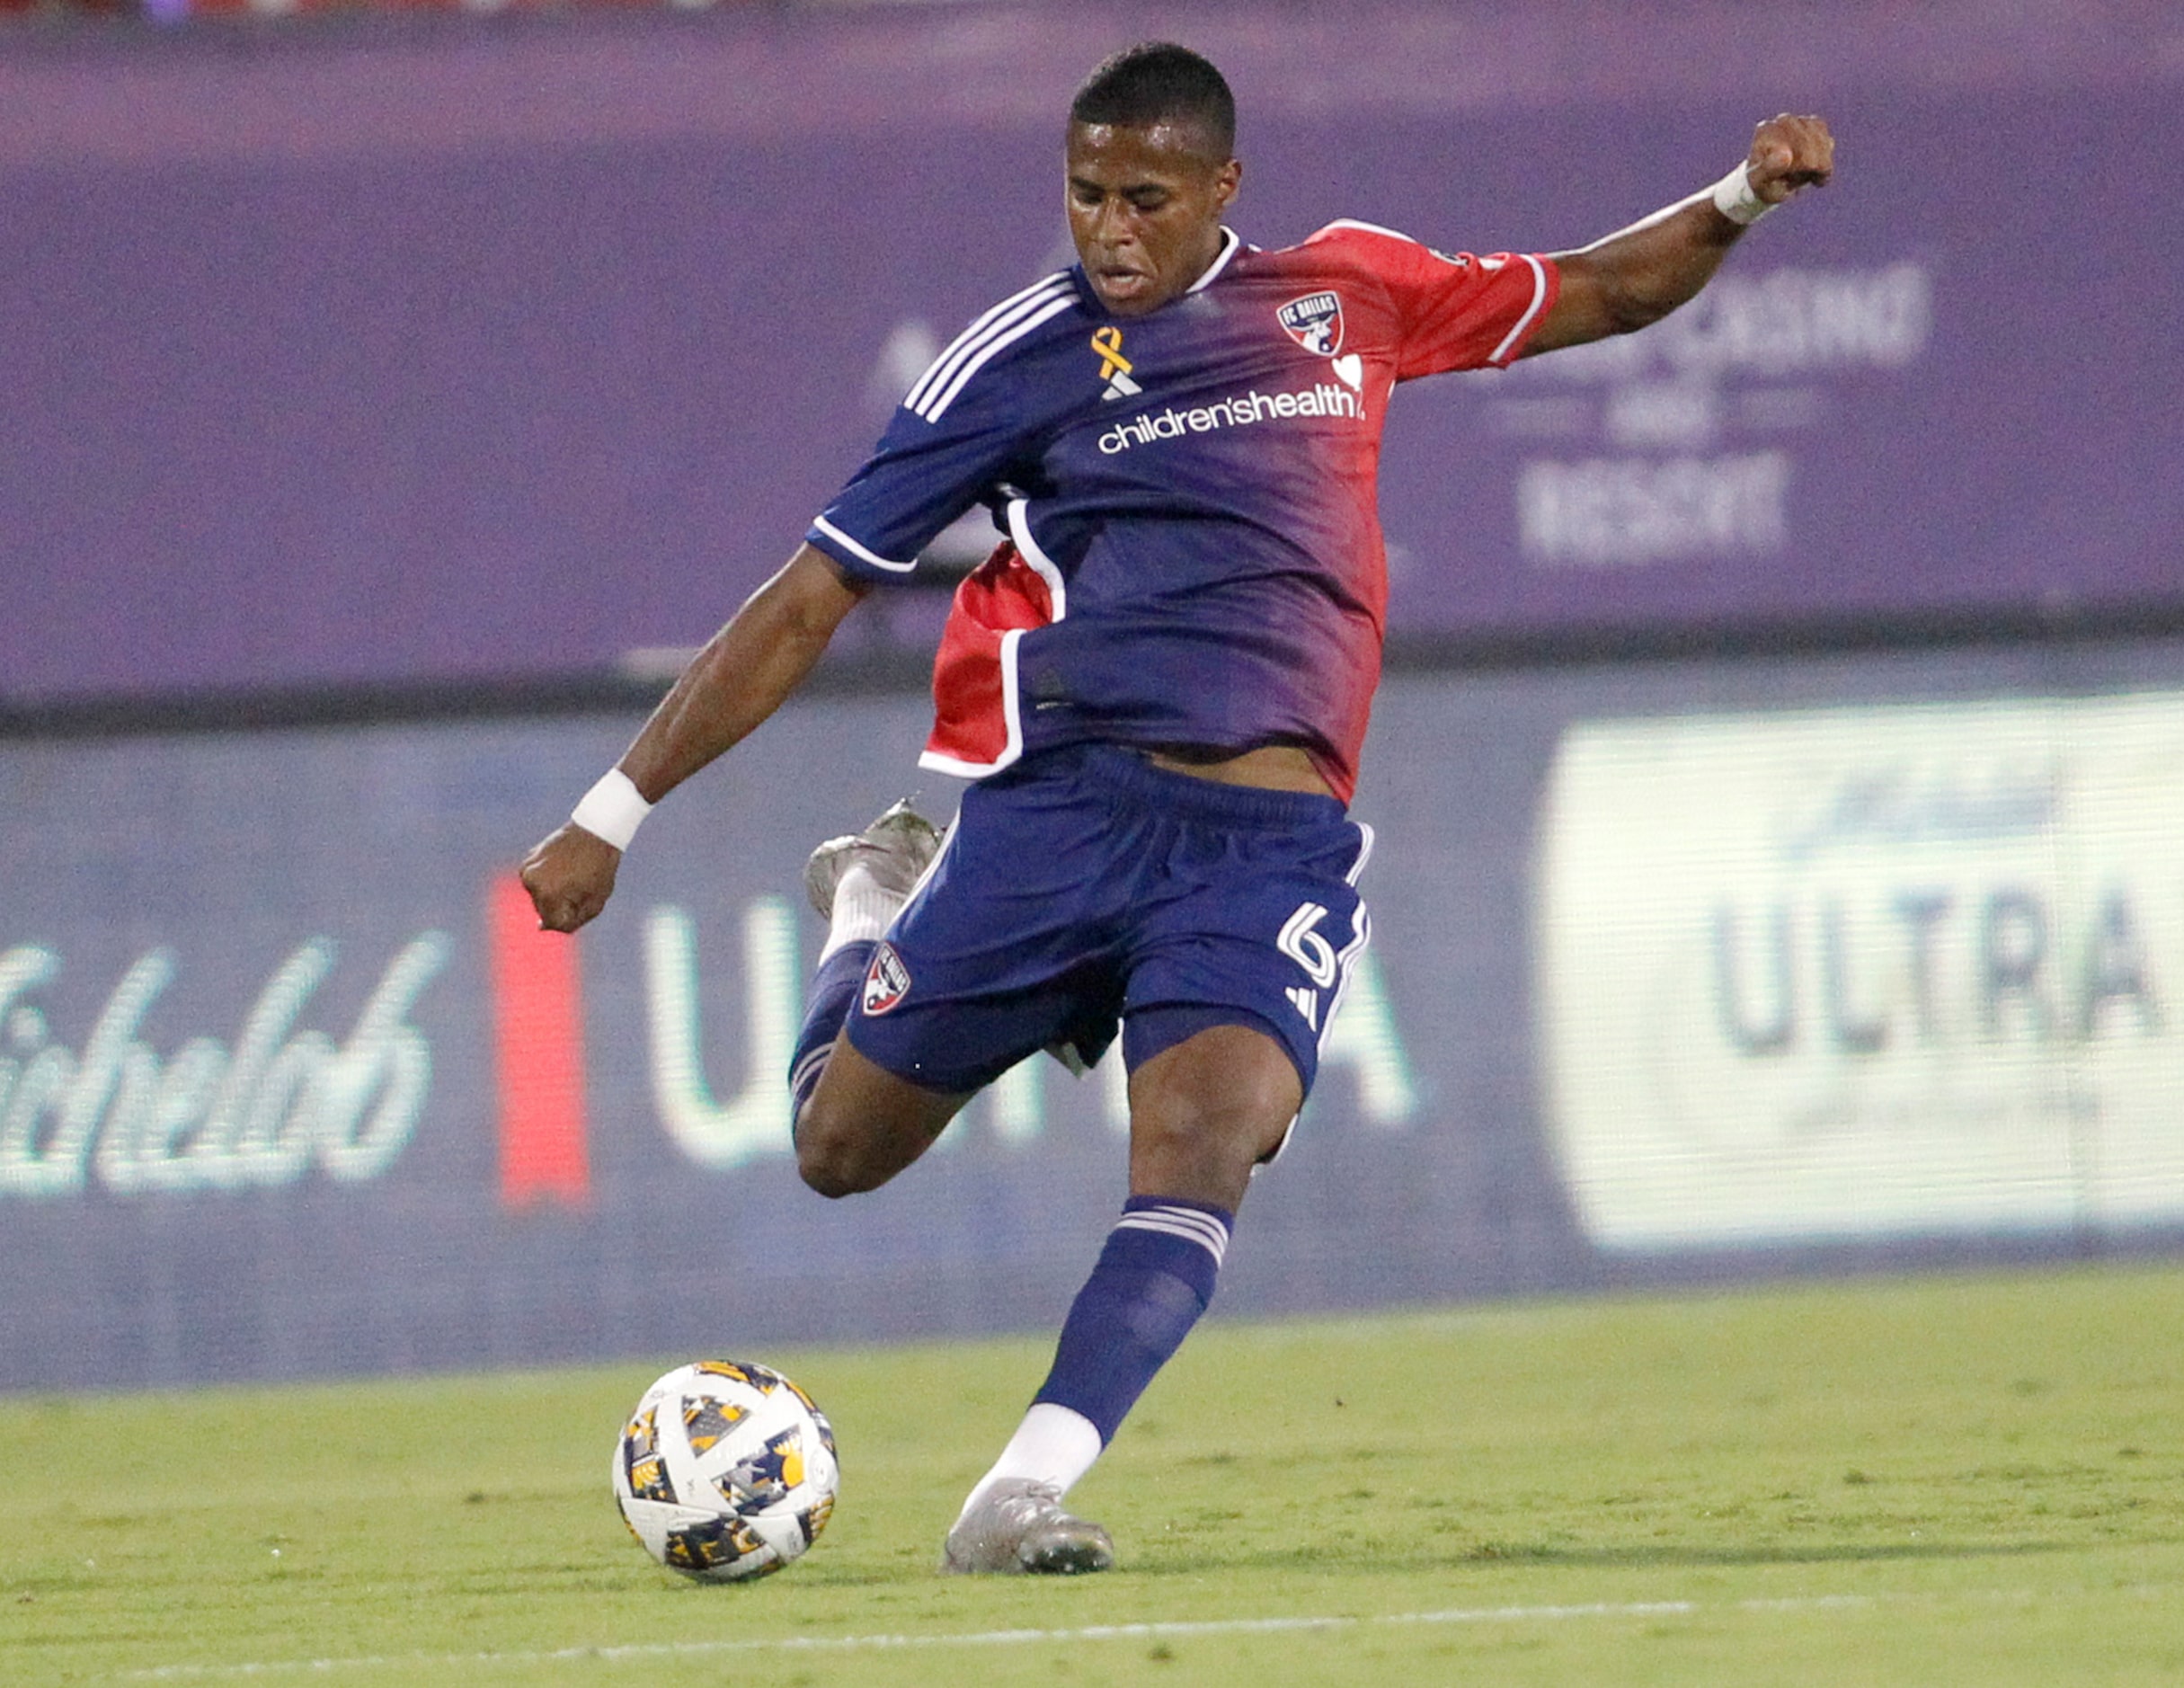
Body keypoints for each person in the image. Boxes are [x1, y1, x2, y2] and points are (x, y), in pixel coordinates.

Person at [521, 42, 1833, 1574]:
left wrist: (1741, 195)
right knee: (837, 1150)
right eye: (1084, 195)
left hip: (1262, 842)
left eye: (1144, 197)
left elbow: (1599, 289)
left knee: (1210, 1139)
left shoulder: (1346, 295)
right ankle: (874, 901)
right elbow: (812, 596)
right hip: (1062, 814)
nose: (1110, 230)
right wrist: (614, 807)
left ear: (1223, 187)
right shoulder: (1012, 360)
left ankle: (1014, 1493)